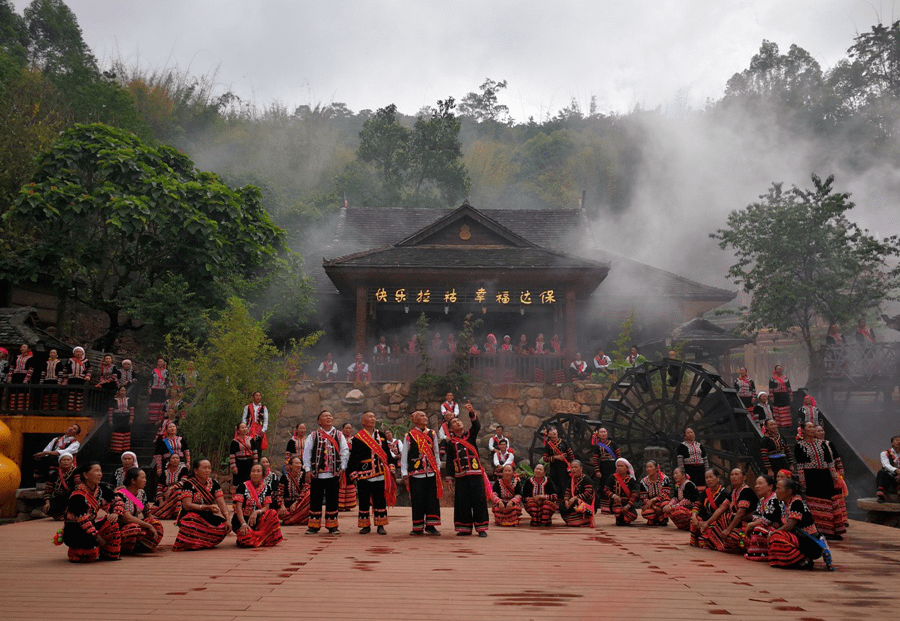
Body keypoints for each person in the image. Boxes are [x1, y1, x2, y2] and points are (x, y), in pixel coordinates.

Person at [347, 411, 397, 534]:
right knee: (364, 500)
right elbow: (354, 457)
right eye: (370, 417)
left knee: (380, 499)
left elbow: (386, 452)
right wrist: (354, 473)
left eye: (374, 416)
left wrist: (391, 466)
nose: (373, 419)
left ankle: (381, 525)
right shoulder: (358, 437)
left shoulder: (381, 435)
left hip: (380, 472)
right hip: (364, 473)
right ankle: (365, 525)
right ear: (363, 421)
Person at [445, 402, 491, 536]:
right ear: (451, 429)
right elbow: (449, 461)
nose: (458, 423)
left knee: (479, 500)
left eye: (459, 420)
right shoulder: (451, 443)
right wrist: (449, 478)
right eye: (454, 422)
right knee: (462, 502)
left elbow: (476, 425)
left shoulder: (470, 436)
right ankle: (464, 528)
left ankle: (481, 528)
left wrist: (471, 412)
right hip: (461, 476)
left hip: (476, 474)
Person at [794, 421, 846, 539]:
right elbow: (800, 465)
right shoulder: (800, 446)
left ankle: (831, 531)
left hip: (825, 475)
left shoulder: (822, 444)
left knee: (829, 501)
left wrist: (834, 476)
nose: (812, 429)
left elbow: (830, 461)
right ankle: (819, 531)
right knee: (815, 503)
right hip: (811, 477)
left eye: (813, 427)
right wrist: (802, 480)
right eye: (809, 427)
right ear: (803, 430)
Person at [62, 462, 120, 562]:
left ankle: (106, 552)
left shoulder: (100, 489)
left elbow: (117, 500)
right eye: (96, 471)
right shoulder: (78, 496)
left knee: (114, 525)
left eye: (100, 471)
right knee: (90, 552)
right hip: (76, 529)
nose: (100, 474)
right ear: (85, 475)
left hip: (90, 527)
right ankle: (76, 550)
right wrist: (97, 536)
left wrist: (116, 512)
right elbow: (83, 519)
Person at [303, 410, 350, 534]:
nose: (328, 417)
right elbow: (307, 452)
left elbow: (345, 451)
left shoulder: (339, 435)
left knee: (333, 499)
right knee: (315, 499)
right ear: (319, 421)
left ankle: (332, 525)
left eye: (330, 415)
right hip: (316, 474)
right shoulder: (313, 435)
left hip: (333, 473)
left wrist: (342, 467)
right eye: (325, 416)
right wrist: (307, 469)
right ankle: (314, 526)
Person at [172, 458, 231, 551]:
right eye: (204, 468)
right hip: (190, 515)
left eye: (209, 468)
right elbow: (187, 506)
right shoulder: (188, 484)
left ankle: (201, 541)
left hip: (206, 515)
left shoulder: (214, 483)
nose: (207, 471)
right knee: (191, 520)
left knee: (223, 526)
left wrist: (228, 519)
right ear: (196, 470)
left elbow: (221, 503)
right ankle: (194, 541)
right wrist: (206, 507)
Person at [402, 410, 442, 535]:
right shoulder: (409, 436)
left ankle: (431, 526)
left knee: (432, 499)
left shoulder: (432, 434)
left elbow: (436, 452)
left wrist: (438, 468)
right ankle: (417, 527)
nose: (425, 418)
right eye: (422, 416)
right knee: (417, 500)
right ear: (415, 420)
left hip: (431, 472)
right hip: (416, 473)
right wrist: (404, 472)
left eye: (425, 415)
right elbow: (405, 455)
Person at [768, 478, 823, 569]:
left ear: (789, 491)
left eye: (778, 488)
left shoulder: (796, 503)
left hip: (810, 542)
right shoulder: (787, 503)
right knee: (773, 532)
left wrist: (773, 533)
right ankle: (785, 560)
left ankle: (803, 560)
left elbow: (790, 526)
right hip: (800, 539)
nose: (776, 491)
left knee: (777, 536)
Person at [702, 468, 757, 553]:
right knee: (715, 523)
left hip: (746, 524)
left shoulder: (747, 491)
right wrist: (707, 523)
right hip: (735, 524)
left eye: (736, 474)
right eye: (732, 475)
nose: (733, 477)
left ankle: (737, 543)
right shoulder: (734, 491)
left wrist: (728, 530)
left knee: (730, 534)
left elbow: (740, 514)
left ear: (744, 477)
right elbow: (721, 509)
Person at [232, 463, 283, 548]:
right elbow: (238, 507)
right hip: (242, 519)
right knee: (247, 540)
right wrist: (243, 523)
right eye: (253, 471)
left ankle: (256, 537)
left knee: (272, 513)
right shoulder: (242, 486)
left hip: (258, 520)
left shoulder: (266, 488)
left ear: (263, 475)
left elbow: (266, 507)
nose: (255, 473)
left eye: (258, 471)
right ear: (250, 473)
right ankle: (258, 538)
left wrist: (256, 512)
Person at [116, 467, 164, 555]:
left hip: (136, 524)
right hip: (121, 527)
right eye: (142, 478)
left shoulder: (141, 493)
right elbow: (127, 518)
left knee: (156, 525)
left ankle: (142, 546)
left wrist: (153, 524)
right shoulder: (121, 494)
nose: (145, 480)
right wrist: (148, 526)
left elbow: (147, 514)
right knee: (134, 528)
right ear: (133, 481)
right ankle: (124, 548)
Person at [816, 425, 849, 528]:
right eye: (818, 431)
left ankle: (843, 518)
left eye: (822, 430)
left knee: (838, 496)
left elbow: (837, 458)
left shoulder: (829, 444)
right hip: (820, 473)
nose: (821, 432)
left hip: (833, 472)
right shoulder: (811, 445)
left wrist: (840, 470)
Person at [743, 475, 780, 562]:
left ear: (770, 486)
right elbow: (757, 515)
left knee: (758, 530)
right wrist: (751, 525)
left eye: (760, 483)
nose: (757, 486)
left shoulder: (774, 499)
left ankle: (762, 554)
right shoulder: (762, 500)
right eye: (756, 484)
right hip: (764, 525)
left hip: (776, 527)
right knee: (745, 530)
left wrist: (752, 525)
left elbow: (769, 517)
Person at [689, 469, 729, 549]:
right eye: (707, 478)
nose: (709, 480)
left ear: (717, 478)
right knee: (694, 519)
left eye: (711, 477)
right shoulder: (705, 492)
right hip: (706, 520)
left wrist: (707, 522)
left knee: (704, 540)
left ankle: (709, 540)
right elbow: (697, 505)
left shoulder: (724, 493)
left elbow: (722, 512)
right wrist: (694, 517)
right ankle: (697, 538)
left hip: (717, 521)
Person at [591, 427, 620, 511]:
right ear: (598, 435)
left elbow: (618, 456)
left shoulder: (613, 444)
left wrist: (619, 467)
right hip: (603, 466)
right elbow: (596, 459)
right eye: (601, 432)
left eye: (605, 432)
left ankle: (613, 505)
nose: (603, 434)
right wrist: (597, 470)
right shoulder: (597, 446)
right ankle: (604, 506)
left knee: (614, 485)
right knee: (604, 485)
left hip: (613, 466)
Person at [43, 453, 79, 520]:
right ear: (60, 462)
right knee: (49, 508)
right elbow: (48, 488)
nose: (66, 462)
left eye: (68, 460)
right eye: (64, 460)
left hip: (72, 497)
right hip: (59, 498)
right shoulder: (55, 474)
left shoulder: (76, 472)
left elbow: (79, 486)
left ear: (71, 462)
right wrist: (47, 502)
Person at [151, 454, 188, 519]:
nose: (175, 460)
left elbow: (184, 481)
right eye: (173, 458)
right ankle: (169, 513)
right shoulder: (165, 472)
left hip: (178, 495)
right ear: (169, 461)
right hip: (166, 496)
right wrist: (161, 501)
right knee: (152, 510)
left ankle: (177, 514)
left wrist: (171, 488)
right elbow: (160, 487)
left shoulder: (183, 469)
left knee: (178, 493)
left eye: (177, 458)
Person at [605, 458, 639, 526]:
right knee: (618, 511)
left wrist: (628, 505)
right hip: (616, 502)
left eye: (622, 466)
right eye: (618, 466)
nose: (619, 468)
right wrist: (613, 496)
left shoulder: (630, 480)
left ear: (627, 468)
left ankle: (623, 517)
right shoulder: (612, 478)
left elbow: (634, 494)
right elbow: (606, 490)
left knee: (633, 516)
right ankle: (619, 517)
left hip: (627, 503)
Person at [277, 456, 310, 525]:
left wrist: (296, 503)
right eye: (296, 463)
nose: (298, 465)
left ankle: (291, 520)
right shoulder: (284, 477)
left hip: (300, 504)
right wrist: (282, 506)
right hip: (288, 505)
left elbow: (305, 491)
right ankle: (297, 519)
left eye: (300, 463)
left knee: (309, 495)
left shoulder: (304, 476)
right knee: (281, 513)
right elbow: (280, 493)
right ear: (290, 466)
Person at [543, 426, 574, 500]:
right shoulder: (548, 445)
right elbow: (545, 459)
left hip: (564, 466)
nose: (553, 431)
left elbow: (570, 453)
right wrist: (556, 457)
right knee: (555, 483)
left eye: (554, 429)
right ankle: (556, 500)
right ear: (548, 434)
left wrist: (572, 464)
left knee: (564, 483)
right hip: (554, 467)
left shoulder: (563, 442)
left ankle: (565, 500)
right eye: (551, 430)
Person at [639, 460, 671, 526]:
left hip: (661, 502)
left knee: (666, 504)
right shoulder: (643, 481)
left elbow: (665, 494)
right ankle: (657, 518)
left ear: (656, 468)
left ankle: (662, 518)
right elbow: (643, 497)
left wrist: (654, 500)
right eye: (647, 467)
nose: (648, 469)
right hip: (650, 505)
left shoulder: (664, 479)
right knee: (646, 512)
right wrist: (654, 507)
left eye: (650, 467)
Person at [7, 343, 35, 411]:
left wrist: (27, 378)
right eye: (22, 347)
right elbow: (12, 367)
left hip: (23, 376)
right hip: (15, 376)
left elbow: (31, 369)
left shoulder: (30, 358)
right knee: (13, 393)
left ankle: (22, 410)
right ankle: (12, 410)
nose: (22, 348)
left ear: (28, 349)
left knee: (23, 393)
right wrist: (10, 376)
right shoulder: (17, 357)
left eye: (24, 347)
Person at [108, 386, 134, 453]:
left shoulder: (128, 399)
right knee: (117, 431)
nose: (123, 392)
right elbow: (111, 410)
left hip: (126, 417)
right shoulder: (115, 400)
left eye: (124, 390)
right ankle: (116, 449)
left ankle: (125, 448)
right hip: (117, 417)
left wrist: (131, 418)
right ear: (119, 391)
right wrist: (110, 420)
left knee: (126, 431)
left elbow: (131, 409)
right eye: (121, 390)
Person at [338, 422, 358, 512]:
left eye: (350, 428)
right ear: (342, 429)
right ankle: (339, 504)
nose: (348, 430)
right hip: (340, 463)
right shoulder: (338, 438)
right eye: (346, 428)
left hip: (350, 464)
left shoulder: (354, 439)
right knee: (340, 482)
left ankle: (348, 504)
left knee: (350, 482)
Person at [64, 346, 91, 412]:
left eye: (80, 352)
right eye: (77, 352)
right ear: (74, 353)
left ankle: (78, 410)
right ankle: (70, 410)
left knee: (79, 394)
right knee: (71, 394)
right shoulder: (70, 361)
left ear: (82, 353)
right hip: (71, 379)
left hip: (81, 380)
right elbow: (65, 370)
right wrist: (65, 379)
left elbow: (89, 370)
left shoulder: (86, 361)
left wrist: (88, 376)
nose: (78, 353)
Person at [876, 434, 900, 502]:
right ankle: (881, 495)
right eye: (897, 440)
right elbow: (886, 465)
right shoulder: (884, 453)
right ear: (892, 443)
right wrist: (896, 471)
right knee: (882, 472)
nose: (899, 442)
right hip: (891, 476)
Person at [768, 365, 793, 430]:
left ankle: (786, 424)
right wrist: (771, 397)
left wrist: (790, 395)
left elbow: (789, 387)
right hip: (777, 396)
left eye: (780, 369)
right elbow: (771, 389)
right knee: (777, 409)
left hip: (785, 395)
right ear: (775, 370)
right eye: (778, 369)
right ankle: (778, 424)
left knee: (785, 409)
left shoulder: (785, 378)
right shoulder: (772, 379)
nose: (779, 370)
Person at [148, 357, 170, 424]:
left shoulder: (166, 372)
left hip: (162, 389)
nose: (160, 363)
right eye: (159, 362)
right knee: (154, 403)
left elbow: (168, 381)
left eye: (161, 362)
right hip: (154, 388)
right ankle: (153, 419)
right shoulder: (154, 371)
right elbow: (150, 379)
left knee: (162, 404)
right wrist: (149, 387)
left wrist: (167, 389)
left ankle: (161, 419)